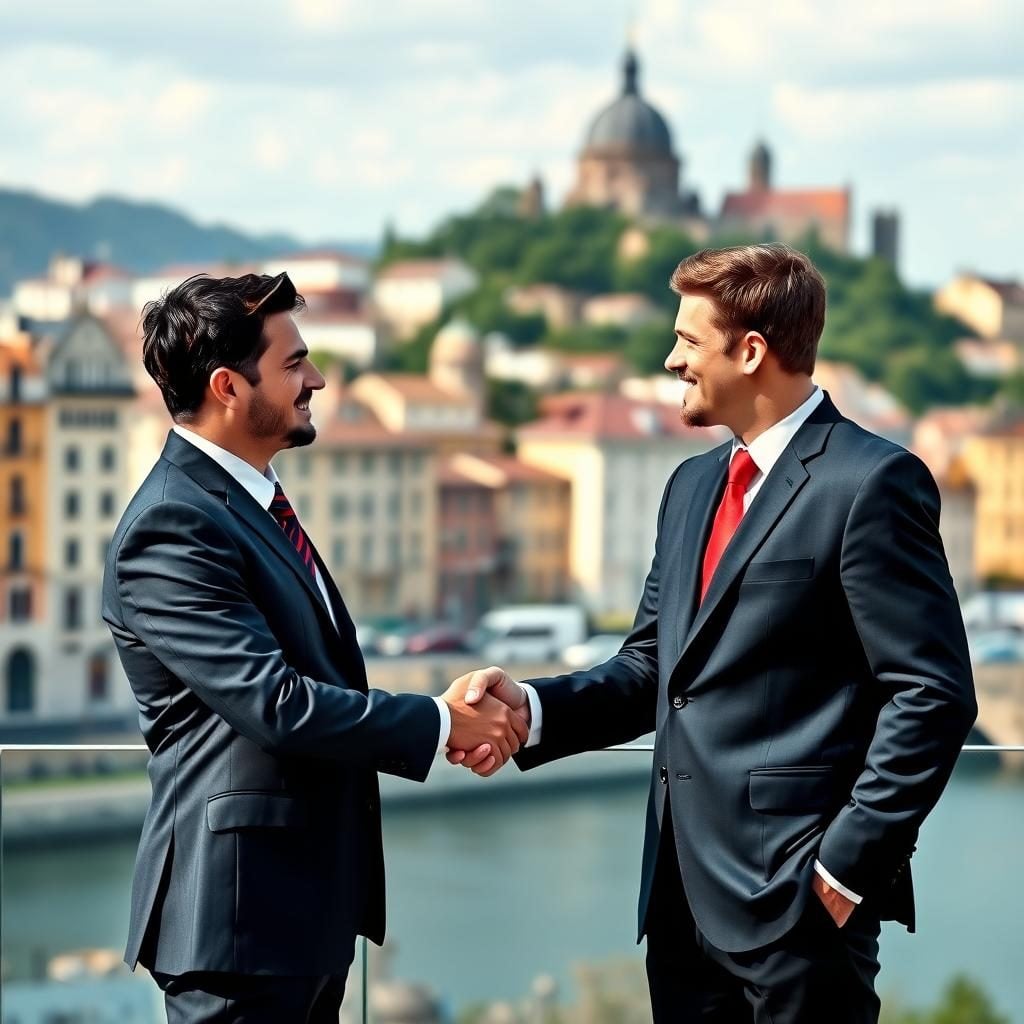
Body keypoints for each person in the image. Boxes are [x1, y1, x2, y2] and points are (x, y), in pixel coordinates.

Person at [448, 245, 977, 1023]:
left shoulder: (871, 482)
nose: (670, 360)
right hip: (680, 908)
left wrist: (843, 869)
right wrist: (532, 708)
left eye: (689, 342)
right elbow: (655, 666)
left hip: (802, 911)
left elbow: (933, 694)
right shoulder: (691, 485)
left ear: (752, 351)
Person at [102, 271, 527, 1023]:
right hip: (238, 929)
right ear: (230, 386)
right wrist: (438, 722)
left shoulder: (247, 503)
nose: (317, 380)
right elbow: (276, 702)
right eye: (295, 363)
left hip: (297, 919)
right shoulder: (172, 525)